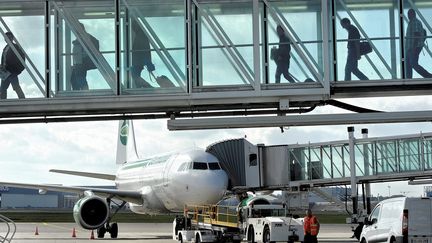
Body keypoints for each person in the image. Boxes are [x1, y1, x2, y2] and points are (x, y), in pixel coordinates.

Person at [70, 23, 99, 90]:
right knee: (75, 79)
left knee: (79, 79)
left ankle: (84, 93)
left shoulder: (84, 37)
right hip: (79, 62)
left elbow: (83, 50)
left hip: (81, 62)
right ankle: (80, 93)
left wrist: (83, 59)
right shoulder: (82, 37)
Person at [405, 8, 432, 79]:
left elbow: (416, 35)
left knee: (413, 64)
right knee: (408, 65)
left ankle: (428, 76)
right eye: (408, 14)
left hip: (413, 47)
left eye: (409, 14)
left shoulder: (415, 22)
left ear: (413, 14)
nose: (408, 16)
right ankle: (408, 80)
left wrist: (414, 48)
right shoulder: (411, 22)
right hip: (409, 48)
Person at [0, 32, 25, 99]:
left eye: (9, 37)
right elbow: (4, 59)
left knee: (15, 86)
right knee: (2, 88)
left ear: (12, 38)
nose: (7, 39)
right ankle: (3, 102)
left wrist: (16, 69)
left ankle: (22, 100)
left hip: (12, 71)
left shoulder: (15, 47)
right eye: (6, 38)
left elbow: (21, 58)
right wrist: (2, 66)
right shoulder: (5, 48)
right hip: (5, 71)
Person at [131, 20, 155, 88]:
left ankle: (148, 88)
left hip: (138, 61)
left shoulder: (141, 35)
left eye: (134, 26)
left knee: (135, 77)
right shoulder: (140, 35)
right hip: (138, 61)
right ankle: (146, 88)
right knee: (135, 77)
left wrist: (147, 61)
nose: (133, 28)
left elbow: (144, 49)